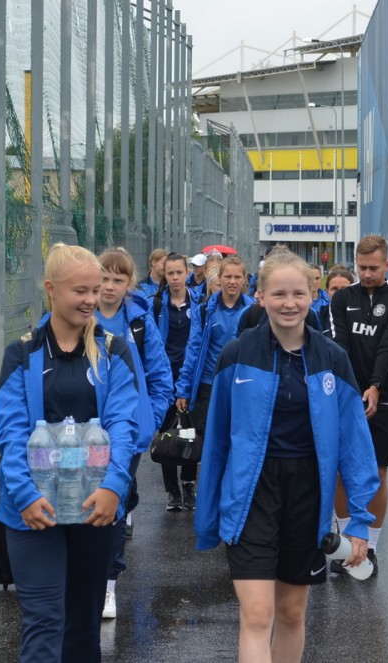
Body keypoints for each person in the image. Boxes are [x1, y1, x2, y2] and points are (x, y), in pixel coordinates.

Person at [194, 251, 380, 663]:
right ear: (260, 296)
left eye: (298, 293)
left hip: (307, 497)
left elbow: (355, 445)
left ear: (313, 295)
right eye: (278, 293)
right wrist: (208, 517)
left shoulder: (333, 359)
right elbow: (217, 443)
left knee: (292, 613)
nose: (289, 303)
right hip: (251, 494)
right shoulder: (236, 355)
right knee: (257, 614)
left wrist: (360, 520)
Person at [0, 243, 140, 661]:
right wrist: (25, 495)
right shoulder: (22, 354)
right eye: (81, 291)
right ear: (51, 290)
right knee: (43, 623)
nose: (92, 299)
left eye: (96, 289)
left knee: (83, 629)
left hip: (95, 508)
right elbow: (11, 433)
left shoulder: (113, 350)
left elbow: (124, 427)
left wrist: (113, 488)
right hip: (35, 511)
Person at [95, 247, 172, 619]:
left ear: (129, 283)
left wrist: (150, 418)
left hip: (127, 430)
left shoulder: (140, 322)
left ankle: (108, 585)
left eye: (118, 279)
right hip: (86, 430)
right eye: (104, 278)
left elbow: (159, 375)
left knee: (114, 500)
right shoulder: (79, 314)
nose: (110, 286)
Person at [328, 235, 388, 575]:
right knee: (341, 472)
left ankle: (370, 547)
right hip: (346, 396)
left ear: (387, 265)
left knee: (377, 473)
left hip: (386, 396)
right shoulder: (341, 299)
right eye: (361, 267)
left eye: (373, 268)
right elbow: (340, 346)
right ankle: (347, 543)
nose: (366, 274)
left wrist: (375, 386)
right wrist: (351, 392)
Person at [175, 256, 254, 465]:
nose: (232, 281)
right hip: (209, 385)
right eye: (228, 276)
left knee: (237, 440)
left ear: (244, 279)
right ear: (219, 278)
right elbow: (193, 350)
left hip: (241, 385)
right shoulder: (205, 310)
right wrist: (183, 388)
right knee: (208, 442)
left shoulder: (254, 311)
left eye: (237, 277)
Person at [152, 252, 200, 511]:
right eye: (170, 273)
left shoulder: (199, 303)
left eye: (179, 272)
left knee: (190, 432)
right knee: (167, 434)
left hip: (190, 377)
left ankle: (188, 485)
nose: (175, 277)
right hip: (164, 379)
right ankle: (171, 490)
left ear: (187, 273)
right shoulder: (157, 305)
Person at [319, 265, 355, 335]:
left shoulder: (363, 318)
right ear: (327, 291)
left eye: (344, 289)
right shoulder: (318, 318)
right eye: (334, 289)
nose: (339, 293)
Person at [309, 264, 330, 332]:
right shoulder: (297, 302)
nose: (314, 282)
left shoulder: (328, 300)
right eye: (310, 279)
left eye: (317, 278)